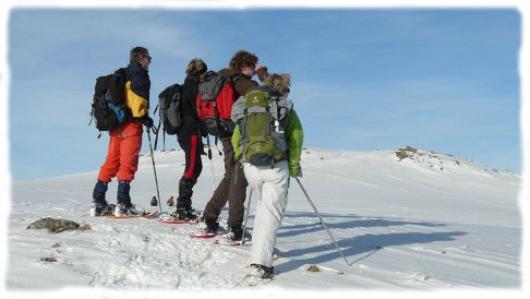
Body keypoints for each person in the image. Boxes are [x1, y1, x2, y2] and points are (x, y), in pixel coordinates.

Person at [231, 73, 303, 283]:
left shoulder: (248, 107)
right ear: (282, 89)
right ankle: (260, 263)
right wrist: (293, 165)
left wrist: (243, 159)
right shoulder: (284, 108)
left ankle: (261, 250)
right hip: (275, 167)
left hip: (251, 167)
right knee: (270, 212)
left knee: (263, 206)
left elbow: (237, 137)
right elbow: (296, 136)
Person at [200, 50, 269, 240]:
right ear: (245, 66)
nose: (254, 72)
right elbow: (267, 92)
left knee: (231, 175)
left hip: (222, 130)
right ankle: (235, 227)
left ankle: (209, 217)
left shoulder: (221, 77)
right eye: (253, 67)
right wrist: (263, 73)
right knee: (239, 176)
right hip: (235, 133)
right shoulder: (239, 80)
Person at [90, 46, 154, 217]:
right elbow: (137, 102)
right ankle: (123, 204)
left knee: (111, 161)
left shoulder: (121, 73)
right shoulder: (139, 74)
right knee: (128, 164)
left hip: (115, 126)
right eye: (149, 58)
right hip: (131, 126)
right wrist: (145, 118)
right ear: (141, 58)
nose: (150, 61)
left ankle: (98, 202)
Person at [171, 58, 208, 220]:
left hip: (187, 131)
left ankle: (184, 204)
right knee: (192, 167)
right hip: (190, 131)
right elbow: (197, 110)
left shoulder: (188, 84)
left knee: (195, 166)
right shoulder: (193, 86)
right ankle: (182, 207)